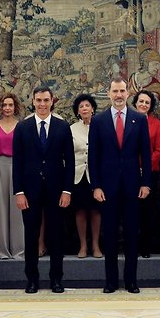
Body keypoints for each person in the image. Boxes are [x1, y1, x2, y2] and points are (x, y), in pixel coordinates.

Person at [88, 77, 152, 294]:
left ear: (128, 93)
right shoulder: (98, 121)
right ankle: (111, 281)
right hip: (107, 188)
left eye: (122, 91)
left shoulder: (139, 119)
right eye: (115, 91)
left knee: (133, 234)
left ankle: (131, 280)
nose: (119, 95)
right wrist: (96, 186)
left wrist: (146, 184)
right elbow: (93, 157)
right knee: (110, 234)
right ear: (109, 93)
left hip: (134, 187)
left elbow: (146, 154)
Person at [12, 86, 74, 294]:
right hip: (29, 192)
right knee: (31, 236)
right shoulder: (23, 127)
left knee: (56, 235)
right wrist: (18, 192)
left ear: (52, 101)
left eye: (46, 100)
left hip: (57, 191)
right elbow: (18, 162)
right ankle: (32, 280)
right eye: (38, 100)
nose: (42, 104)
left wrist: (67, 190)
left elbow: (70, 162)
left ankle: (56, 279)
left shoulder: (62, 126)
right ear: (32, 101)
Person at [0, 93, 24, 259]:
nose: (8, 108)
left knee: (18, 209)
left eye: (10, 105)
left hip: (18, 166)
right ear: (0, 108)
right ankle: (2, 250)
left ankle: (18, 250)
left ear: (15, 107)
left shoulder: (22, 126)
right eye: (4, 105)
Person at [132, 90, 160, 257]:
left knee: (148, 212)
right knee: (132, 211)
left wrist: (145, 165)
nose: (143, 104)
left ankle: (145, 247)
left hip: (150, 173)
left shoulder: (156, 124)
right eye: (141, 101)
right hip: (130, 173)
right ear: (135, 102)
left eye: (147, 102)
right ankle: (131, 246)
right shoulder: (128, 121)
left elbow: (159, 150)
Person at [70, 94, 102, 259]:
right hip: (78, 175)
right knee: (80, 211)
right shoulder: (72, 128)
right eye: (81, 106)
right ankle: (83, 245)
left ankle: (96, 245)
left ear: (93, 108)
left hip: (96, 175)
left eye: (87, 106)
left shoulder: (101, 126)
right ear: (78, 111)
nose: (84, 109)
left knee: (96, 211)